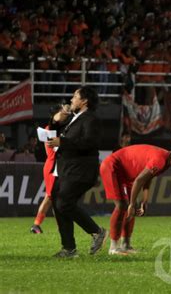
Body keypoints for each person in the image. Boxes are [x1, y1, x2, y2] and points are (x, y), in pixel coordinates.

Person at [100, 144, 171, 255]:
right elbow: (139, 180)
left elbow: (147, 178)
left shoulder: (166, 160)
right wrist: (131, 204)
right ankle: (113, 248)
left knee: (132, 206)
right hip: (113, 166)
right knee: (122, 206)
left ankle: (125, 245)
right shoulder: (160, 160)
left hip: (124, 172)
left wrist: (144, 200)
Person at [46, 86, 108, 258]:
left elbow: (89, 142)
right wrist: (54, 121)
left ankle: (97, 231)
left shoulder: (91, 119)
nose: (71, 100)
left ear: (84, 101)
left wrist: (62, 142)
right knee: (59, 205)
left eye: (75, 96)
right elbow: (59, 134)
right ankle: (69, 249)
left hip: (81, 171)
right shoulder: (74, 118)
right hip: (66, 169)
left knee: (64, 203)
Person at [31, 103, 71, 234]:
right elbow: (56, 148)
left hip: (56, 165)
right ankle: (37, 225)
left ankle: (47, 225)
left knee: (54, 197)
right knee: (51, 197)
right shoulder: (50, 129)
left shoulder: (56, 128)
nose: (64, 114)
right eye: (61, 112)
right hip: (53, 165)